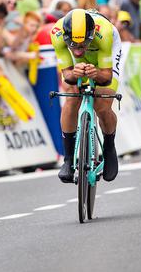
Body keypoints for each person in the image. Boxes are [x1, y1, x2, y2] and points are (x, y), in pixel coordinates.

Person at [51, 9, 122, 184]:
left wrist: (96, 73)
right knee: (72, 97)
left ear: (90, 36)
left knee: (102, 104)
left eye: (82, 45)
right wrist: (74, 75)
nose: (77, 50)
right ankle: (68, 159)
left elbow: (106, 78)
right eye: (73, 45)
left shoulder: (105, 33)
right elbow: (67, 75)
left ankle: (109, 146)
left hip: (103, 53)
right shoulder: (57, 34)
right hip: (79, 62)